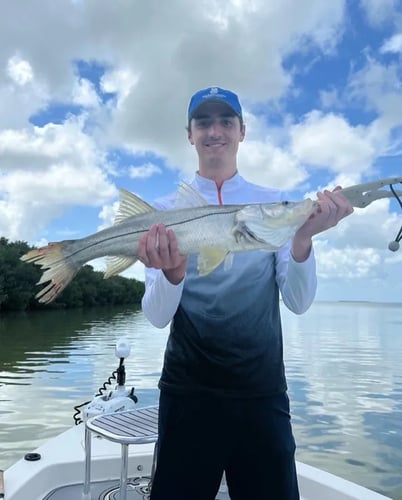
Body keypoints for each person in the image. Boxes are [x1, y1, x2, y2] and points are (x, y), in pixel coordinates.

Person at [138, 86, 353, 500]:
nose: (214, 130)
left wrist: (303, 240)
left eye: (225, 121)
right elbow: (156, 315)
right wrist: (173, 272)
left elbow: (298, 301)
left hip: (262, 392)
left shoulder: (275, 206)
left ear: (242, 131)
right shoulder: (163, 212)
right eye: (203, 121)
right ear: (189, 134)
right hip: (187, 393)